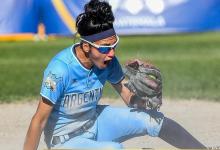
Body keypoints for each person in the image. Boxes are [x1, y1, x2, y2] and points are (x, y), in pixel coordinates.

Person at [24, 0, 206, 149]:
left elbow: (128, 97)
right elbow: (38, 121)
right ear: (86, 46)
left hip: (94, 122)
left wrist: (146, 100)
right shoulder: (60, 69)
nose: (111, 53)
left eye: (114, 45)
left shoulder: (108, 60)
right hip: (65, 141)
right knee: (113, 149)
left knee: (154, 120)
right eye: (105, 48)